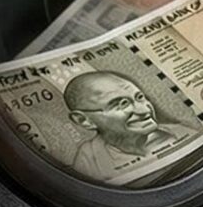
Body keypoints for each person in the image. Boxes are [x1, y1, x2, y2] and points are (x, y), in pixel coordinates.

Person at [62, 69, 195, 180]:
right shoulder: (89, 161)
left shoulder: (183, 133)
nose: (144, 110)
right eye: (122, 104)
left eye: (140, 97)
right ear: (84, 120)